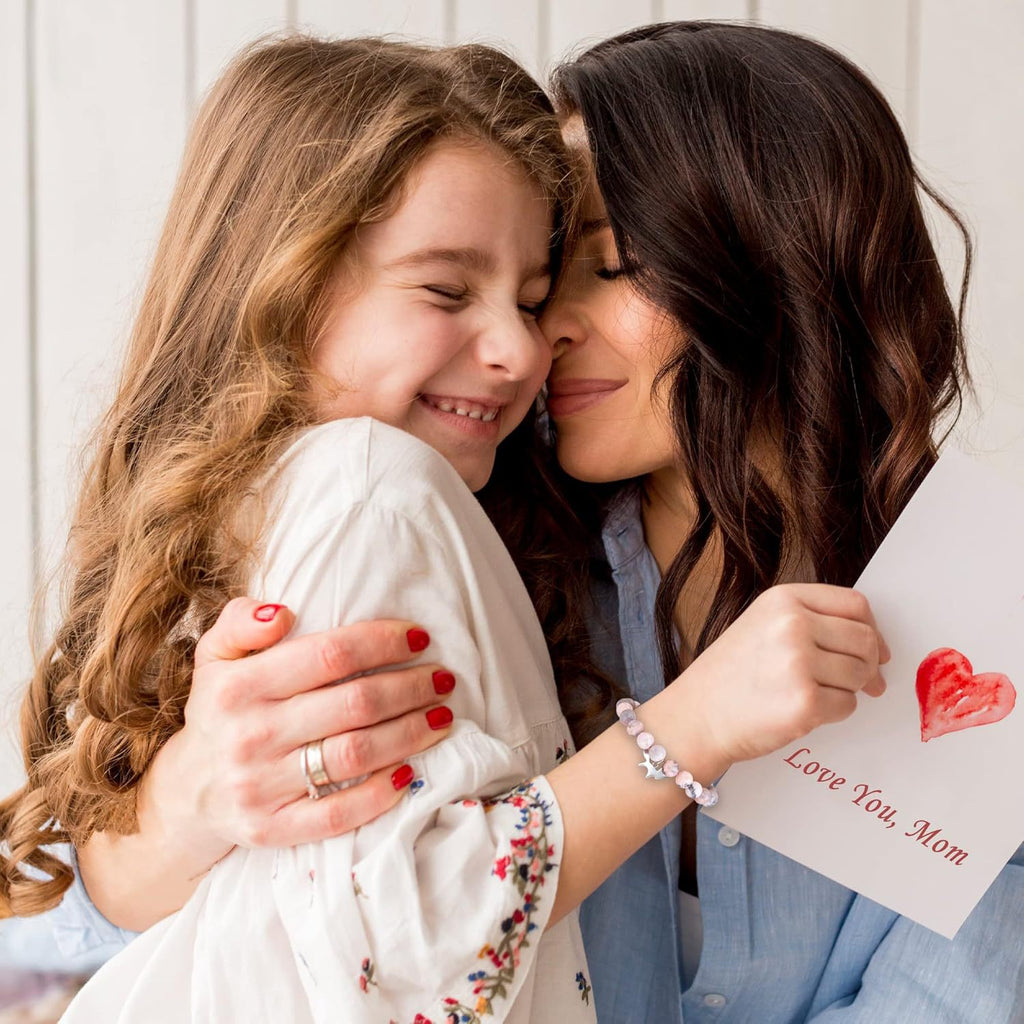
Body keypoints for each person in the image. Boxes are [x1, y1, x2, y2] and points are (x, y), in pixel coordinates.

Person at [0, 28, 889, 1024]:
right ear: (286, 281)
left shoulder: (956, 606)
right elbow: (41, 949)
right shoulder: (375, 492)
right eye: (447, 290)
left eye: (565, 279)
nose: (525, 341)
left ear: (777, 275)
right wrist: (187, 806)